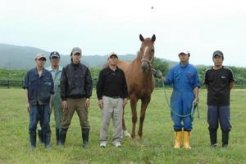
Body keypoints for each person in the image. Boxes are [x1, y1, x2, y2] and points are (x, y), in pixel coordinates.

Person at [164, 51, 200, 149]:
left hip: (189, 96)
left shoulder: (193, 69)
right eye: (180, 55)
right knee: (176, 118)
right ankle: (177, 142)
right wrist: (159, 76)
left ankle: (186, 142)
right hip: (176, 96)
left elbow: (196, 84)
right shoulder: (174, 69)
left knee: (188, 118)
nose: (182, 56)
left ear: (188, 56)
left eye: (184, 55)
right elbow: (167, 81)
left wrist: (196, 97)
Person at [59, 47, 93, 148]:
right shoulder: (66, 69)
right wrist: (63, 99)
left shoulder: (85, 69)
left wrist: (88, 97)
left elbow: (89, 83)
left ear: (80, 56)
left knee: (84, 122)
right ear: (71, 55)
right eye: (75, 54)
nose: (77, 56)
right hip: (69, 100)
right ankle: (61, 143)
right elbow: (63, 84)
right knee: (65, 121)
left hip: (82, 99)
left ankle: (85, 143)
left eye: (79, 54)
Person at [96, 53, 128, 148]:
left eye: (115, 58)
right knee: (105, 120)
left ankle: (117, 140)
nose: (113, 59)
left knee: (118, 121)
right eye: (111, 58)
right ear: (108, 60)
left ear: (117, 60)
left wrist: (125, 97)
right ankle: (103, 140)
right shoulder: (103, 72)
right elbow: (99, 86)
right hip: (107, 98)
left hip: (119, 99)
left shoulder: (121, 72)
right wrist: (99, 98)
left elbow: (124, 86)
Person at [204, 50, 234, 148]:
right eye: (215, 57)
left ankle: (225, 144)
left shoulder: (228, 71)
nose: (217, 60)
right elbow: (207, 86)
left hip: (224, 103)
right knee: (212, 124)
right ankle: (213, 143)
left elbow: (231, 84)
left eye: (219, 57)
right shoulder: (208, 72)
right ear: (213, 59)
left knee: (225, 124)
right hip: (212, 102)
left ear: (222, 59)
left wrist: (224, 93)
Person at [23, 53, 54, 149]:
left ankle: (47, 144)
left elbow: (51, 92)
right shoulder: (30, 73)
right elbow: (26, 89)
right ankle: (32, 145)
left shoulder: (48, 74)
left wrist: (49, 105)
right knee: (32, 125)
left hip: (45, 104)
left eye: (43, 60)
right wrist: (27, 103)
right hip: (33, 104)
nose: (41, 61)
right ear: (35, 60)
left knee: (46, 124)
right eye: (39, 59)